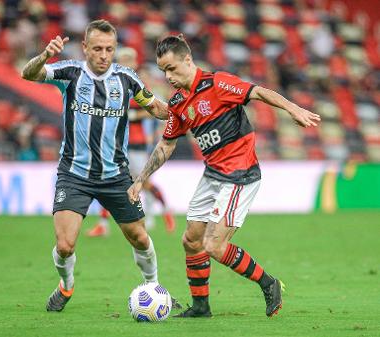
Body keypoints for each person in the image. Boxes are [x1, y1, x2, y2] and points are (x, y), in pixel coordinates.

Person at [128, 35, 321, 318]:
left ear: (187, 60)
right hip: (213, 173)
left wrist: (293, 108)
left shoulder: (217, 84)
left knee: (213, 246)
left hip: (240, 174)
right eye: (163, 71)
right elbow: (166, 144)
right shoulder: (180, 101)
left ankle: (269, 283)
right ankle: (201, 307)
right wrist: (140, 179)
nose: (167, 76)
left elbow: (258, 91)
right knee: (191, 240)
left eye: (171, 68)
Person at [21, 19, 170, 312]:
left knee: (140, 237)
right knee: (65, 245)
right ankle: (66, 286)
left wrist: (182, 110)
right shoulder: (69, 72)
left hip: (116, 175)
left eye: (109, 49)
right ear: (86, 48)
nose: (104, 55)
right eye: (98, 48)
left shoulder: (127, 79)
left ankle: (154, 287)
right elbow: (29, 74)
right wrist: (44, 56)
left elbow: (155, 107)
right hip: (74, 174)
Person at [87, 47, 176, 237]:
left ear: (135, 63)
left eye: (129, 59)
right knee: (107, 181)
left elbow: (152, 109)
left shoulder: (137, 85)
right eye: (123, 59)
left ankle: (167, 211)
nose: (126, 62)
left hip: (135, 143)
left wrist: (131, 114)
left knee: (144, 182)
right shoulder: (111, 84)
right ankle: (103, 224)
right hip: (114, 143)